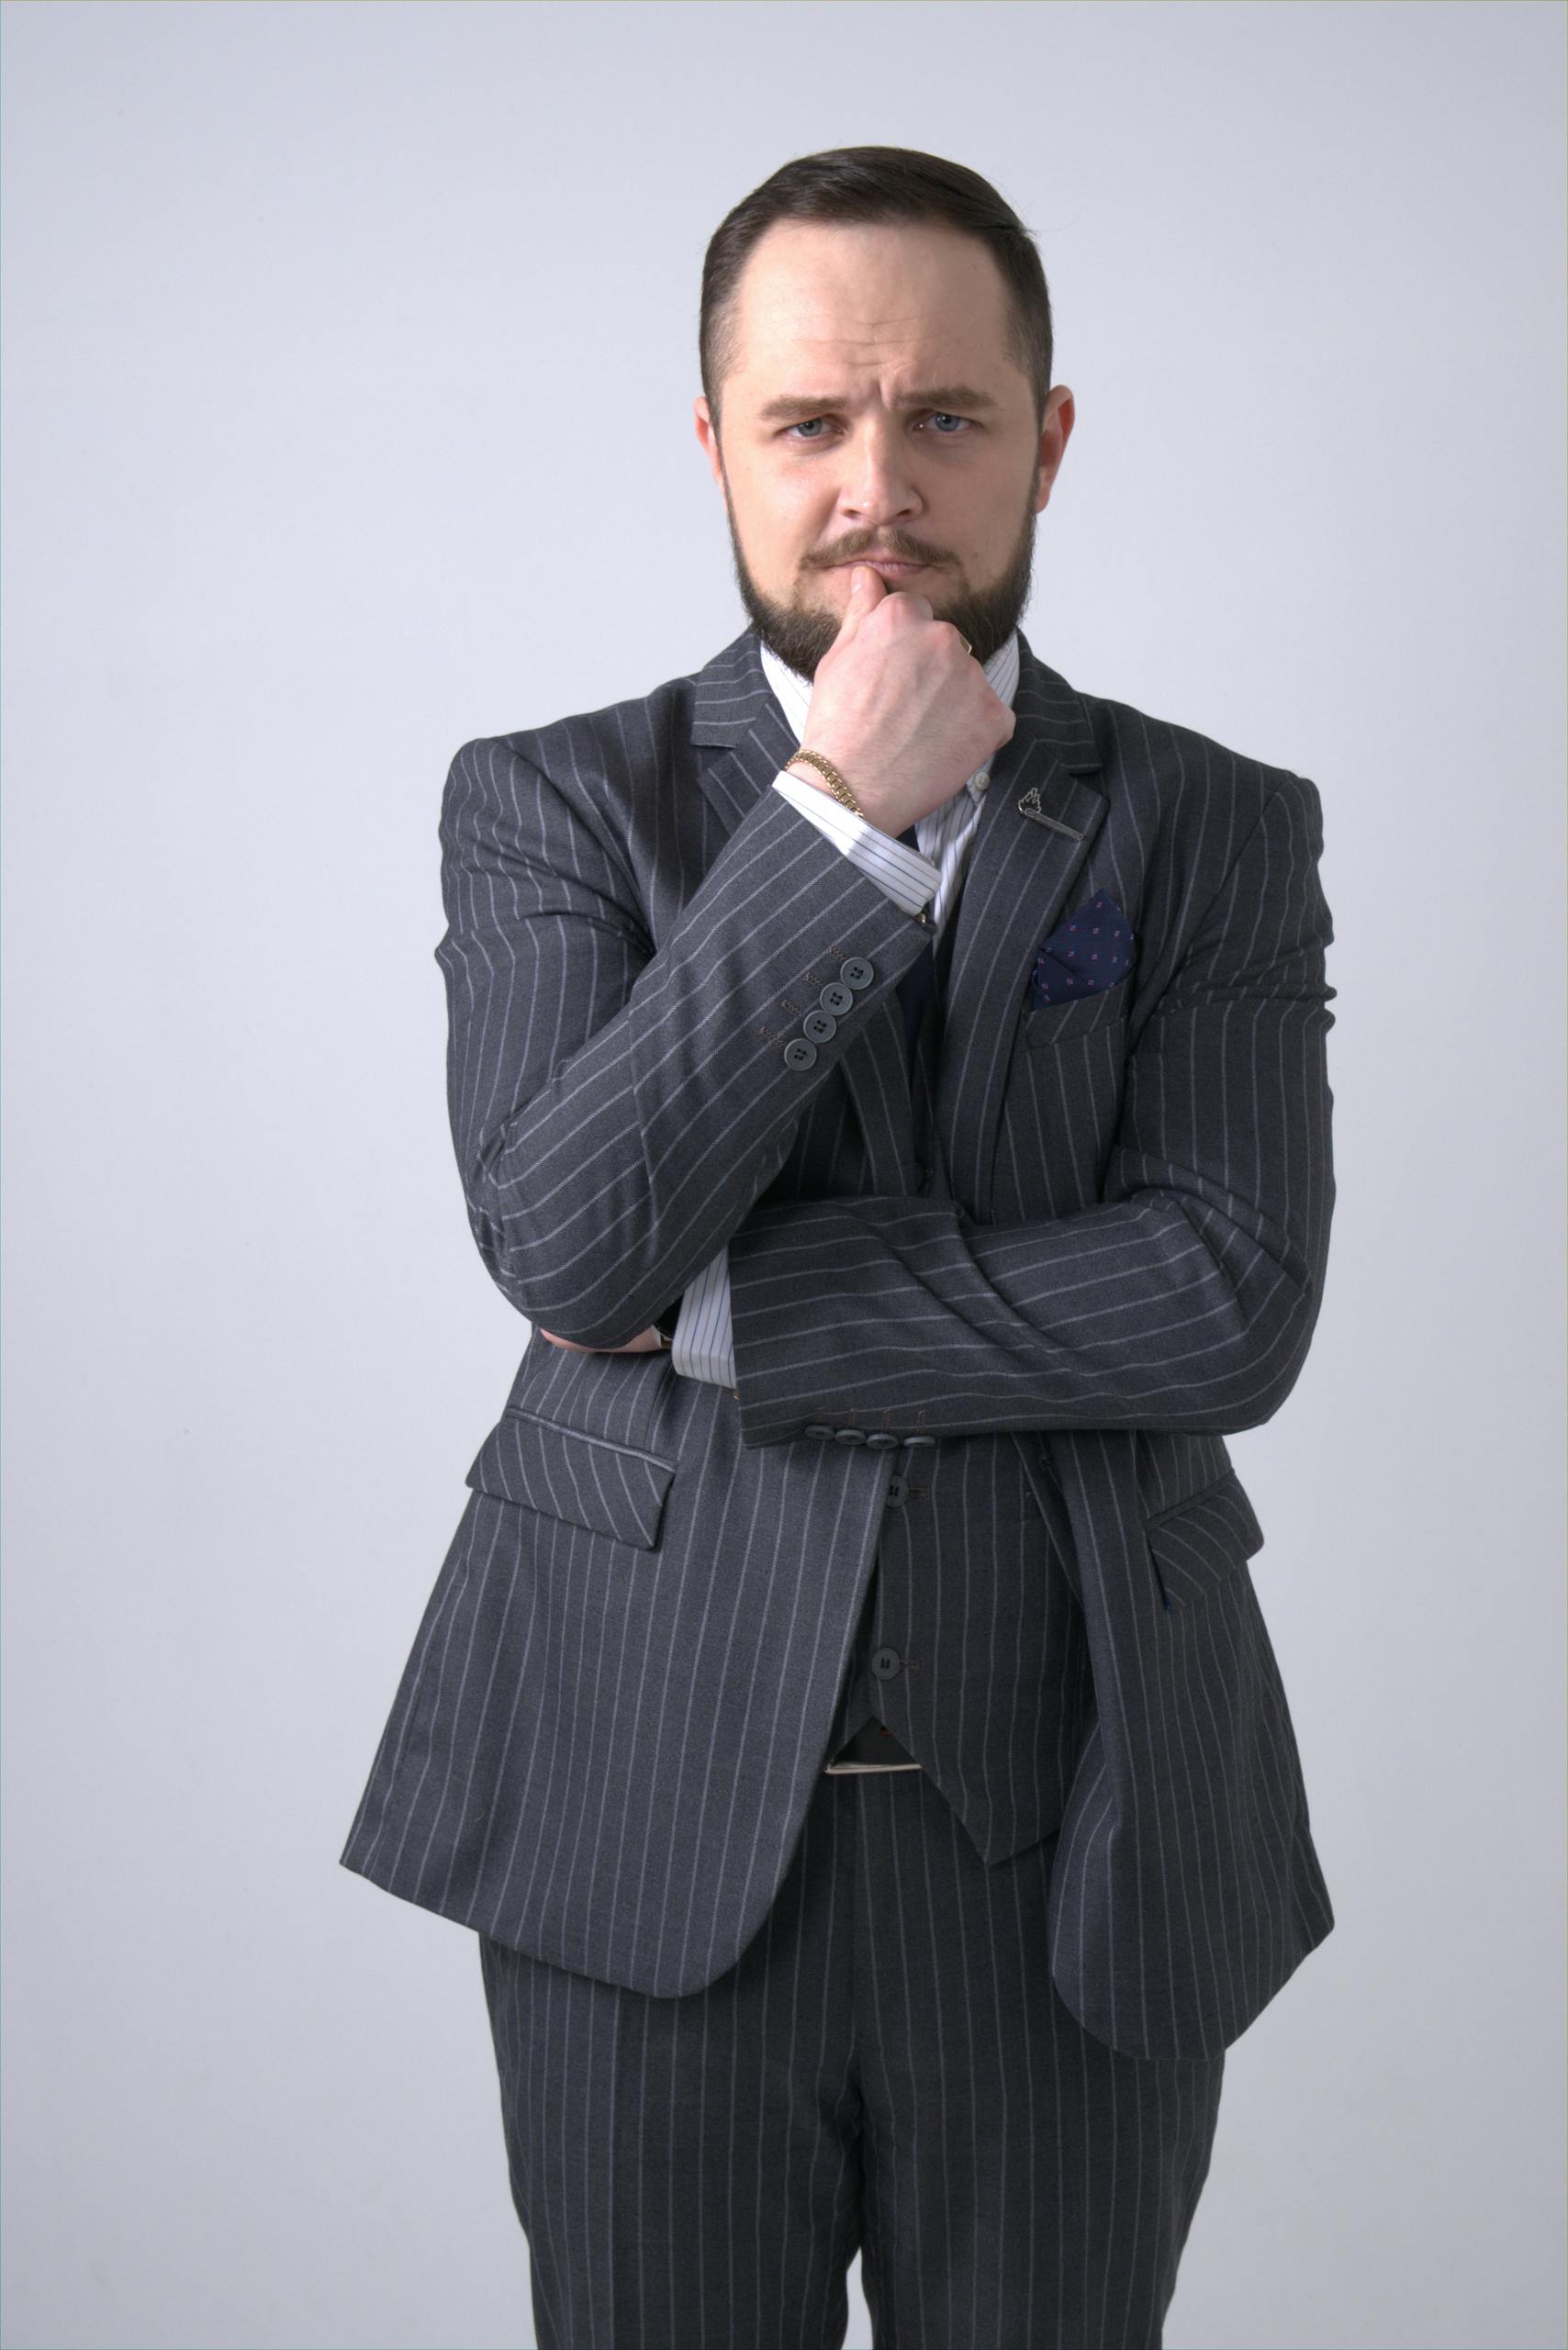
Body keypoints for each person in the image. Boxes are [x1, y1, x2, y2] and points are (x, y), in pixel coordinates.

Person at [340, 143, 1338, 2350]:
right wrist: (836, 819)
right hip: (637, 1815)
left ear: (1042, 439)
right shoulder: (548, 802)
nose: (874, 485)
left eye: (942, 415)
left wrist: (717, 1301)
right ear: (716, 442)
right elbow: (564, 1235)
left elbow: (1226, 1295)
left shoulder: (1212, 823)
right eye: (808, 419)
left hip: (1078, 1842)